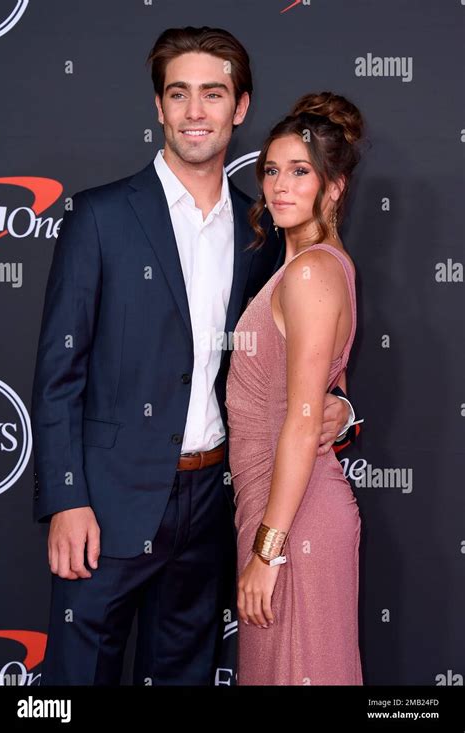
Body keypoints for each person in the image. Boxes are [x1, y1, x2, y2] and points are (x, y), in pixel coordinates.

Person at [31, 27, 358, 686]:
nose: (194, 112)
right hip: (107, 507)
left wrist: (344, 407)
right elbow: (58, 370)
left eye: (212, 94)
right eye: (178, 94)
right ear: (158, 106)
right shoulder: (99, 217)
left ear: (239, 108)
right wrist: (65, 498)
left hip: (212, 505)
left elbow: (307, 356)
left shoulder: (262, 233)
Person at [225, 91, 364, 685]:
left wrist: (267, 551)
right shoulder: (319, 266)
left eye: (300, 171)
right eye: (272, 170)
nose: (281, 185)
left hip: (294, 520)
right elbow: (329, 394)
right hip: (278, 504)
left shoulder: (311, 272)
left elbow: (305, 419)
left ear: (333, 187)